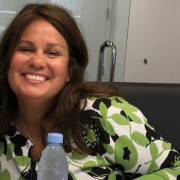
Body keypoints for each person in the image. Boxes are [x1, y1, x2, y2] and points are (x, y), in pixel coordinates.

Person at [0, 3, 180, 180]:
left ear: (70, 71)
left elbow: (175, 169)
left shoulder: (105, 114)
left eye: (53, 53)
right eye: (26, 49)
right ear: (7, 60)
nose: (37, 61)